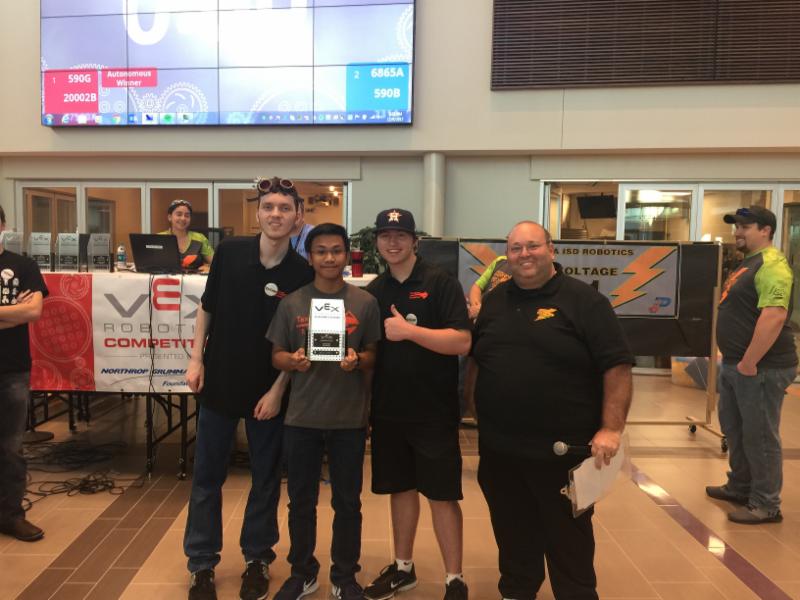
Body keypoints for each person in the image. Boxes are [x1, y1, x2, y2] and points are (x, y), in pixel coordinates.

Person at [470, 221, 634, 600]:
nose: (524, 255)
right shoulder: (494, 301)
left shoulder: (585, 301)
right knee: (512, 532)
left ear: (551, 249)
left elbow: (617, 365)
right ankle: (517, 591)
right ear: (506, 256)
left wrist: (611, 428)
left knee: (568, 540)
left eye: (532, 246)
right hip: (500, 451)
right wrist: (475, 408)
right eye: (515, 248)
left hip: (562, 452)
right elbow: (478, 360)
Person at [183, 178, 314, 600]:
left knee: (265, 479)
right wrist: (196, 359)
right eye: (268, 206)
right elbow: (207, 308)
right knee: (207, 477)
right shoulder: (229, 252)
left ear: (298, 217)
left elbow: (300, 342)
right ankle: (202, 563)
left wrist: (278, 390)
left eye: (284, 208)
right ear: (258, 213)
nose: (276, 214)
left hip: (268, 392)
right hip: (220, 381)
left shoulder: (303, 272)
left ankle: (257, 558)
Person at [268, 223, 381, 600]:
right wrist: (292, 361)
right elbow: (277, 354)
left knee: (348, 503)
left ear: (346, 255)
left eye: (336, 250)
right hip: (302, 418)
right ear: (309, 256)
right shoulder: (292, 303)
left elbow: (373, 356)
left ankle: (345, 575)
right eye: (321, 251)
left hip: (349, 419)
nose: (329, 258)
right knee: (300, 502)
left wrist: (357, 360)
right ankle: (303, 572)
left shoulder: (365, 302)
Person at [364, 209, 471, 600]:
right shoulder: (375, 291)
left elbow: (461, 341)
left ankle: (454, 578)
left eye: (400, 236)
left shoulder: (440, 283)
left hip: (433, 411)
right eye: (385, 235)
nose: (392, 243)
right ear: (377, 242)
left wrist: (410, 331)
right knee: (401, 489)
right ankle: (403, 568)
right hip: (389, 410)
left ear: (415, 241)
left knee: (442, 494)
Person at [706, 205, 797, 524]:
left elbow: (774, 315)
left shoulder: (773, 264)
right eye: (737, 226)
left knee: (759, 436)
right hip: (737, 364)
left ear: (766, 230)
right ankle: (740, 486)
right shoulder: (749, 263)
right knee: (736, 430)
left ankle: (766, 503)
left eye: (745, 227)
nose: (738, 232)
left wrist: (749, 361)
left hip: (761, 367)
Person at [0, 203, 48, 543]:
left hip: (13, 368)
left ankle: (11, 515)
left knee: (11, 448)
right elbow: (21, 311)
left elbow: (33, 312)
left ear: (2, 226)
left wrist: (22, 310)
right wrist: (11, 310)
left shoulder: (24, 265)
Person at [159, 199, 214, 272]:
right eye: (179, 214)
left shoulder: (200, 238)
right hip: (166, 278)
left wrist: (209, 267)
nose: (183, 218)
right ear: (169, 217)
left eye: (187, 215)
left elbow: (216, 263)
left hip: (195, 278)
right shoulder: (159, 238)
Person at [467, 254, 511, 320]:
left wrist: (483, 311)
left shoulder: (523, 274)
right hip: (481, 313)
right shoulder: (500, 261)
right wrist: (476, 307)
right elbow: (477, 286)